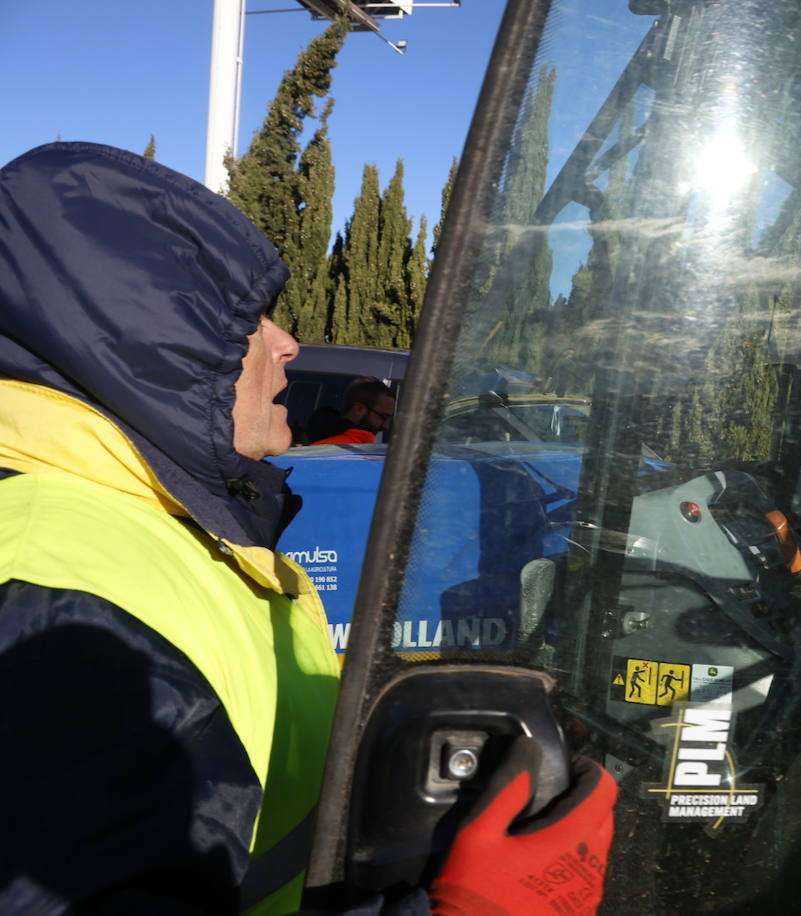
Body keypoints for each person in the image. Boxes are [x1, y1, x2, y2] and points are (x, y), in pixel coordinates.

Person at [0, 142, 615, 915]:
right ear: (142, 342)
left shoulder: (140, 528)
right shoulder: (65, 602)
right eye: (245, 316)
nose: (286, 340)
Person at [310, 377, 397, 445]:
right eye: (383, 417)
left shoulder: (316, 444)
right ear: (359, 409)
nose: (386, 426)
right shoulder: (356, 453)